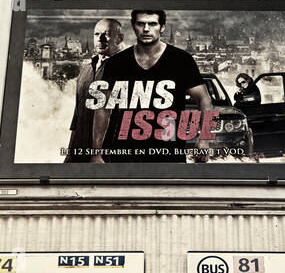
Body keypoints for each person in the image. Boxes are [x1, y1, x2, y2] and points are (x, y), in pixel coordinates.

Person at [89, 9, 214, 163]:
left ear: (162, 27)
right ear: (134, 26)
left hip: (168, 152)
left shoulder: (181, 60)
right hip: (123, 152)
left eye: (152, 24)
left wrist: (205, 140)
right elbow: (102, 109)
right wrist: (96, 153)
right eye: (141, 24)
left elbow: (204, 100)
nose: (146, 29)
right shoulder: (116, 63)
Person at [64, 18, 123, 163]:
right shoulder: (86, 69)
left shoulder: (125, 69)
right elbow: (77, 116)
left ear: (120, 38)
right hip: (80, 151)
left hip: (109, 156)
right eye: (97, 34)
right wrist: (70, 153)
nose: (100, 39)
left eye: (107, 34)